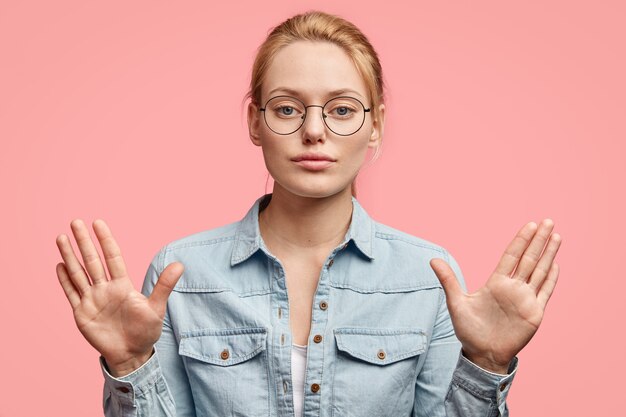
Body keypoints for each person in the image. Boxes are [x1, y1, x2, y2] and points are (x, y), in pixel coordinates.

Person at [55, 11, 561, 417]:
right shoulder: (182, 274)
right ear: (256, 122)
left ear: (376, 126)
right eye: (287, 108)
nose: (314, 131)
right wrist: (129, 365)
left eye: (341, 109)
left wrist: (486, 366)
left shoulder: (427, 278)